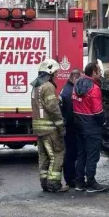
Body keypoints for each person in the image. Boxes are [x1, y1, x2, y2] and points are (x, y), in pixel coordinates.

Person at [30, 59, 69, 193]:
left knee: (44, 156)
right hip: (50, 129)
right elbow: (53, 108)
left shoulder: (36, 85)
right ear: (50, 72)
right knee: (57, 154)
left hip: (39, 129)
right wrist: (61, 127)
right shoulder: (48, 86)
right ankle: (54, 184)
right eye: (55, 73)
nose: (56, 75)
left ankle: (45, 183)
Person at [72, 62, 108, 193]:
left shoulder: (77, 85)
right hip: (92, 126)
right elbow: (98, 112)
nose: (100, 73)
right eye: (99, 71)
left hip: (79, 125)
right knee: (92, 155)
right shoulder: (94, 88)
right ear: (93, 72)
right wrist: (103, 122)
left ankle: (79, 182)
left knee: (81, 154)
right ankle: (91, 182)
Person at [59, 68, 82, 189]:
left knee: (70, 153)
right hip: (70, 128)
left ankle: (70, 178)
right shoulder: (69, 93)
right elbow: (69, 114)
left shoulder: (66, 89)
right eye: (79, 80)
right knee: (71, 154)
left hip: (67, 127)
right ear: (74, 78)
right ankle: (70, 179)